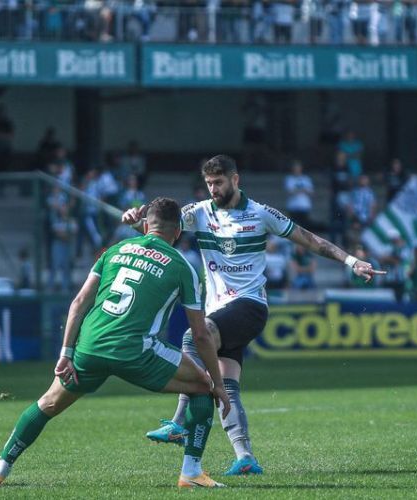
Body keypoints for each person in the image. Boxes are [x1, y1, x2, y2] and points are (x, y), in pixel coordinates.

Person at [124, 155, 383, 475]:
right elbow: (159, 230)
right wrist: (138, 220)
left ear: (235, 179)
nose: (213, 189)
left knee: (194, 336)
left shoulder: (260, 214)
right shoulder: (200, 212)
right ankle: (245, 457)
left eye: (218, 182)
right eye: (208, 183)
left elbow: (310, 239)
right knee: (226, 385)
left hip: (249, 306)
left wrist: (350, 261)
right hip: (221, 312)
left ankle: (178, 423)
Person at [0, 197, 232, 488]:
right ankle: (191, 472)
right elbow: (200, 335)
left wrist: (65, 353)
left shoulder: (113, 251)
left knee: (48, 403)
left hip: (90, 346)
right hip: (135, 350)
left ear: (147, 224)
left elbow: (78, 303)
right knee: (202, 386)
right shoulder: (182, 267)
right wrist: (218, 385)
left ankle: (1, 466)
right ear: (178, 231)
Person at [283, 160, 314, 229]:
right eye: (295, 168)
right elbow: (289, 191)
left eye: (298, 168)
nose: (297, 170)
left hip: (304, 207)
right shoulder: (289, 179)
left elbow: (311, 192)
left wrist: (297, 190)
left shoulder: (306, 179)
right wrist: (303, 189)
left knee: (305, 228)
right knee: (293, 229)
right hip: (293, 207)